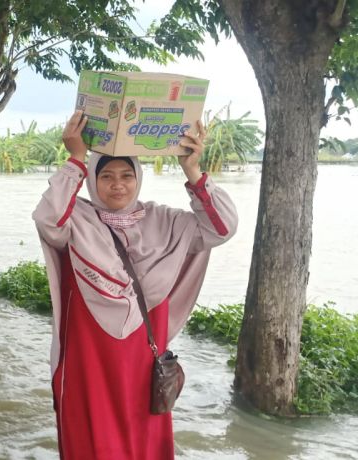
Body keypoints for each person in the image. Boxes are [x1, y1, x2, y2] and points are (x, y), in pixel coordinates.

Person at [33, 111, 238, 459]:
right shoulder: (76, 221)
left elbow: (222, 228)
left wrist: (192, 170)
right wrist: (76, 159)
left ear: (138, 178)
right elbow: (47, 219)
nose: (118, 184)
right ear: (92, 181)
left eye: (127, 175)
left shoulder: (166, 222)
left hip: (143, 367)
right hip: (88, 367)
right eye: (107, 176)